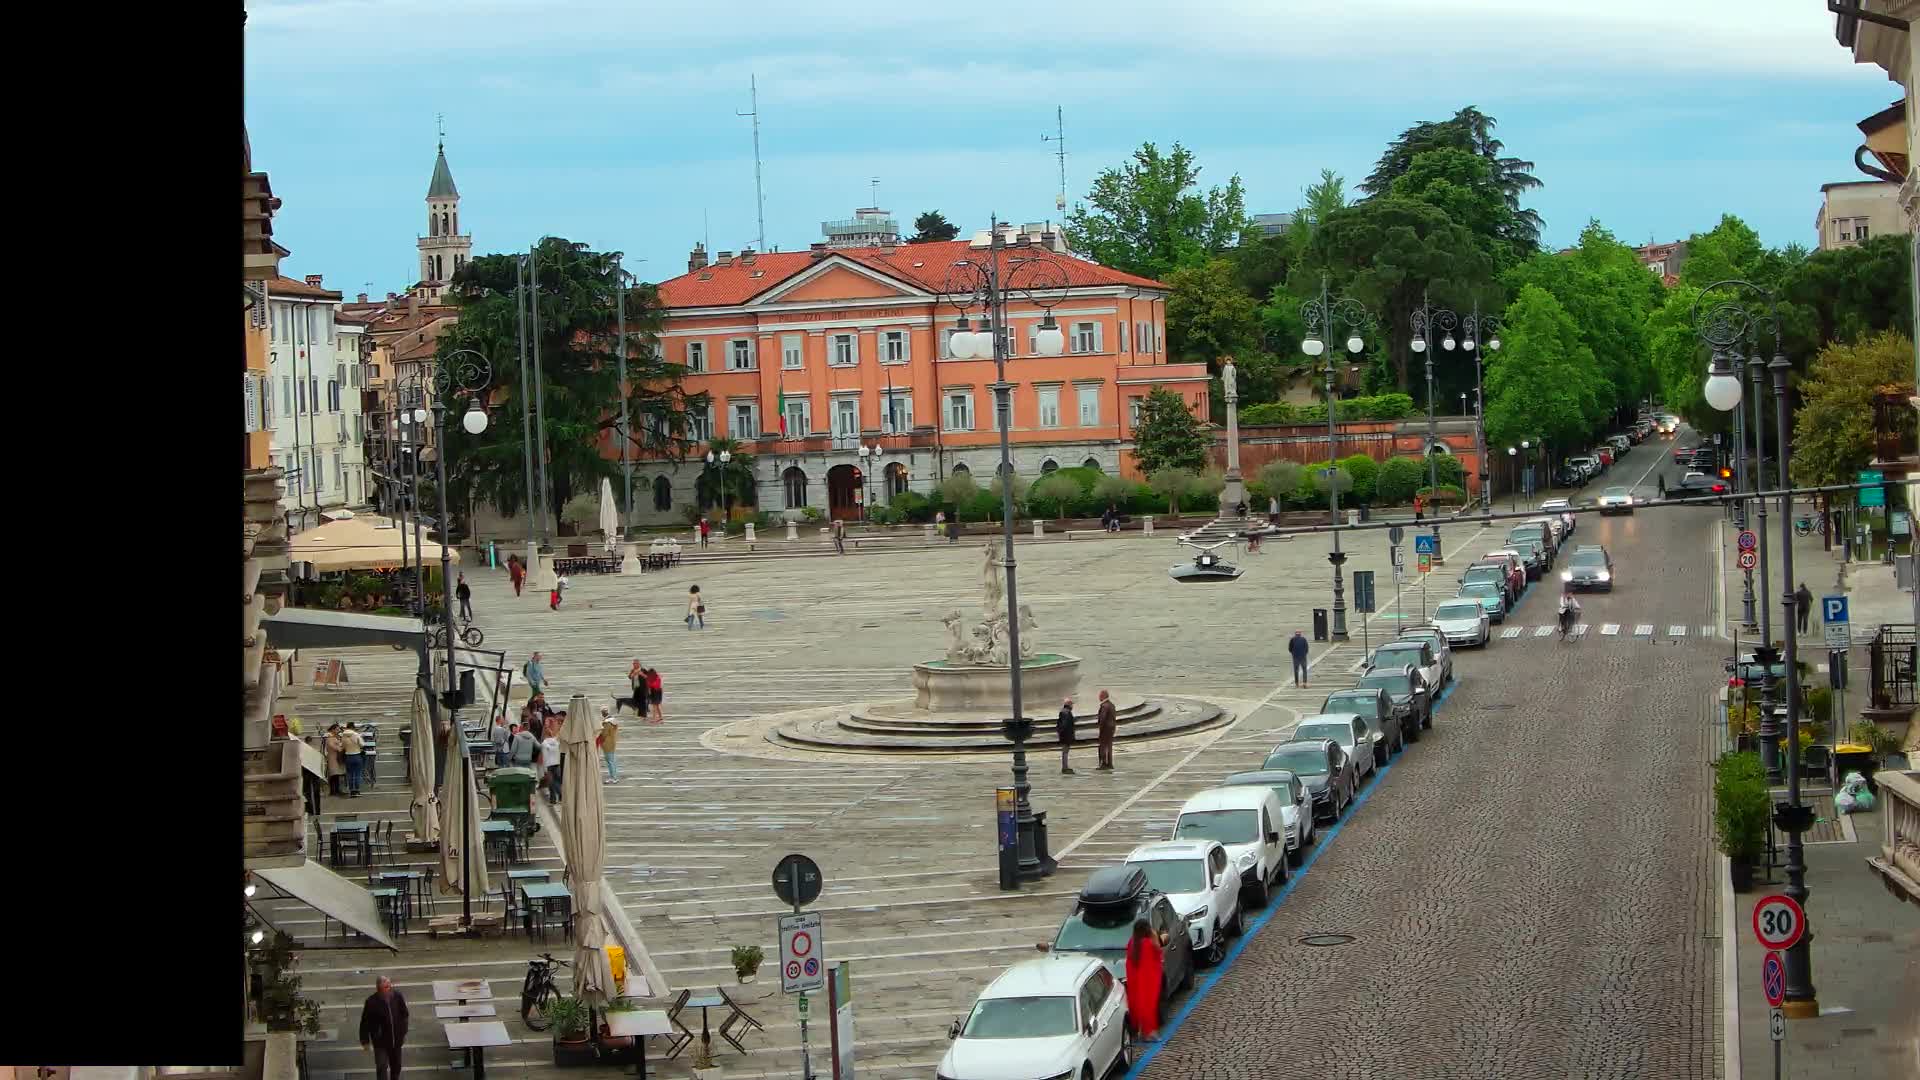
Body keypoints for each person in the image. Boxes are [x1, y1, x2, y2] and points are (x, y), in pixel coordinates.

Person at [358, 975, 410, 1080]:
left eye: (389, 986)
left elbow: (404, 1015)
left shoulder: (397, 996)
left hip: (396, 1041)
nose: (389, 989)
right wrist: (365, 1040)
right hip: (380, 1042)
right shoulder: (371, 1002)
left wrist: (403, 1032)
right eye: (385, 987)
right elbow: (365, 1022)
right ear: (379, 989)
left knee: (396, 1066)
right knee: (381, 1067)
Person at [1123, 918, 1164, 1042]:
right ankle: (1149, 1032)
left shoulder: (1132, 943)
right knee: (1149, 1005)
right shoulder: (1148, 943)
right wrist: (1155, 936)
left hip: (1136, 981)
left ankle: (1141, 1030)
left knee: (1138, 1005)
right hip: (1148, 981)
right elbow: (1158, 955)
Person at [341, 722, 366, 797]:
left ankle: (352, 791)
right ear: (353, 727)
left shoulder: (343, 736)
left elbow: (342, 746)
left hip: (348, 756)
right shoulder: (356, 734)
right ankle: (357, 790)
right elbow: (362, 744)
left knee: (350, 774)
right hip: (357, 755)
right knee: (357, 773)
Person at [598, 707, 622, 784]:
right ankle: (614, 776)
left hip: (607, 743)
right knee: (612, 760)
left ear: (603, 713)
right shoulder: (613, 720)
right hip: (612, 741)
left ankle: (613, 777)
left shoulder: (606, 722)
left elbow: (604, 733)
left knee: (610, 761)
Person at [1095, 689, 1117, 771]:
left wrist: (1100, 727)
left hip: (1105, 729)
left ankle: (1103, 763)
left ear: (1103, 696)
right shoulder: (1111, 705)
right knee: (1109, 746)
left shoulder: (1104, 706)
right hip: (1111, 728)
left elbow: (1102, 718)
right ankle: (1109, 763)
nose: (1098, 697)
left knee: (1103, 746)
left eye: (1100, 695)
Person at [541, 727, 563, 804]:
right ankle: (561, 796)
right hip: (557, 764)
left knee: (551, 784)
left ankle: (553, 799)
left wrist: (544, 769)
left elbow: (544, 756)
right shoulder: (557, 742)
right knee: (557, 781)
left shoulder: (544, 743)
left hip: (549, 765)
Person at [1056, 697, 1077, 775]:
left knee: (1065, 751)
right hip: (1066, 735)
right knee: (1065, 751)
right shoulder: (1067, 712)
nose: (1072, 706)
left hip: (1064, 735)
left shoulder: (1063, 712)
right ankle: (1065, 768)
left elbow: (1059, 724)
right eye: (1071, 704)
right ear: (1069, 704)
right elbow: (1065, 725)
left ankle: (1065, 767)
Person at [324, 724, 346, 796]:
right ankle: (333, 790)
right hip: (332, 757)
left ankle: (337, 790)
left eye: (338, 729)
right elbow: (334, 747)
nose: (338, 731)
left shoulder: (336, 737)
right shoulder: (330, 738)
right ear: (332, 730)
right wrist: (340, 747)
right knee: (333, 774)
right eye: (336, 729)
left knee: (336, 774)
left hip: (336, 758)